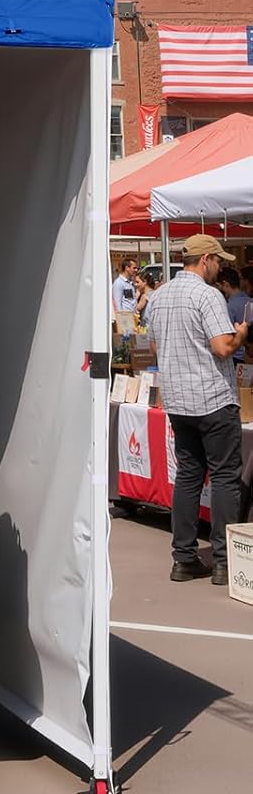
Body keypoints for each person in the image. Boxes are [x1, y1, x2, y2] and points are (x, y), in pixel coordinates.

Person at [144, 234, 249, 585]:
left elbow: (157, 348)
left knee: (188, 476)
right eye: (218, 261)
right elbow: (222, 348)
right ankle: (224, 560)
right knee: (224, 478)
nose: (220, 267)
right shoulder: (207, 295)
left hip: (179, 400)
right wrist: (241, 334)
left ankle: (184, 556)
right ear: (205, 259)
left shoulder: (158, 297)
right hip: (213, 398)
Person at [215, 265, 250, 364]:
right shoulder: (250, 301)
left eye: (218, 286)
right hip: (247, 355)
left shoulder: (228, 306)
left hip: (235, 356)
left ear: (225, 284)